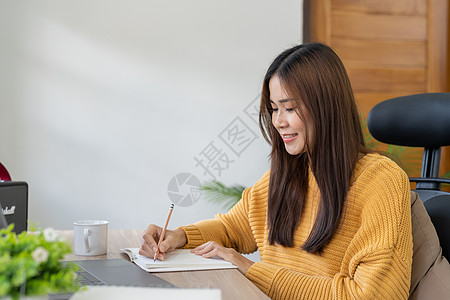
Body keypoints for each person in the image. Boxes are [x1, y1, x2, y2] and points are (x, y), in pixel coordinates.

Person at [140, 43, 413, 299]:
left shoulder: (381, 181)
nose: (278, 122)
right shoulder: (287, 174)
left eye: (290, 108)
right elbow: (233, 227)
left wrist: (250, 268)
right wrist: (180, 237)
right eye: (273, 109)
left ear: (326, 106)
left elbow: (371, 295)